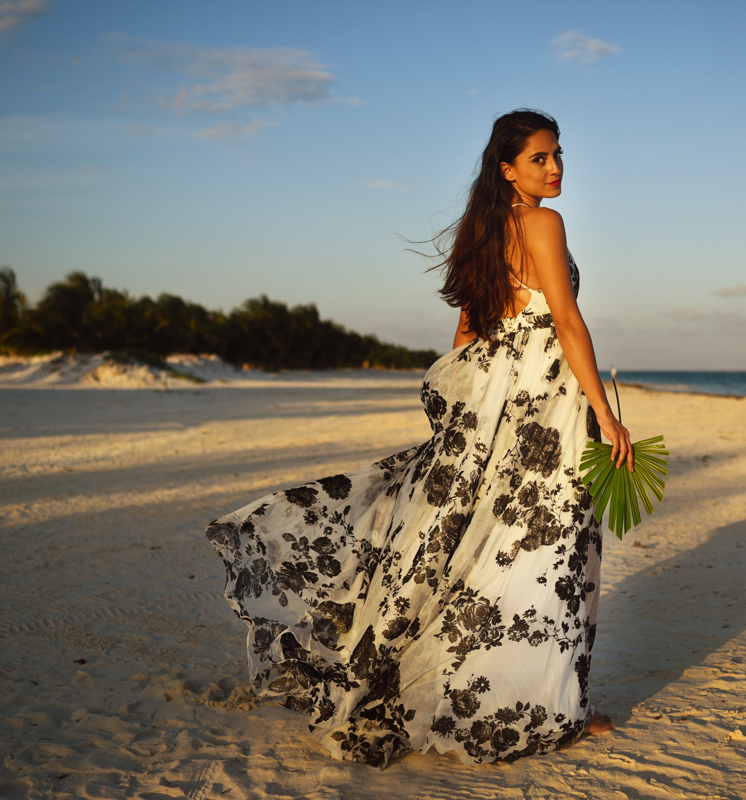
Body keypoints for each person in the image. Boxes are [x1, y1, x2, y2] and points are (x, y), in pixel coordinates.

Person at [205, 108, 632, 768]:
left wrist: (463, 419)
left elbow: (467, 335)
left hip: (502, 411)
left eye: (558, 155)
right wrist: (605, 415)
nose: (555, 168)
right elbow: (568, 323)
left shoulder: (485, 232)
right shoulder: (544, 223)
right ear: (506, 167)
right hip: (546, 412)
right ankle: (545, 710)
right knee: (552, 552)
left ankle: (532, 701)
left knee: (495, 551)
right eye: (540, 158)